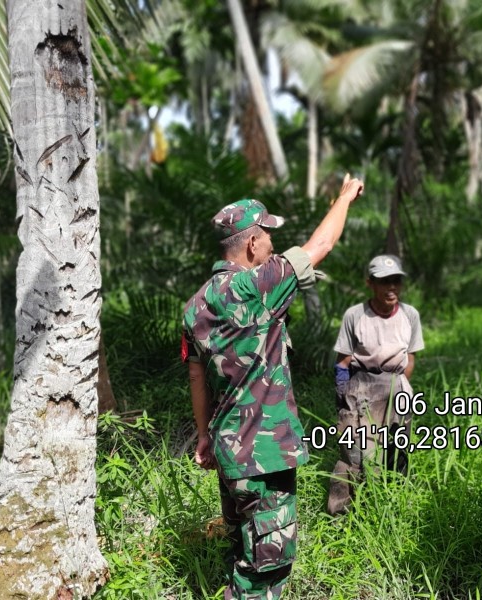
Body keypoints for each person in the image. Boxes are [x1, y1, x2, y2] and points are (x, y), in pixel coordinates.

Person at [182, 174, 364, 599]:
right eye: (266, 235)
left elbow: (195, 375)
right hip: (264, 458)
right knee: (266, 571)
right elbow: (320, 247)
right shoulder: (256, 284)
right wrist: (344, 197)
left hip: (229, 454)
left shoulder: (194, 307)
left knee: (243, 552)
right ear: (251, 244)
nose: (270, 245)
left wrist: (205, 436)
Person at [327, 254, 424, 515]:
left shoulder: (409, 315)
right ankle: (341, 515)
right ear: (370, 283)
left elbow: (410, 357)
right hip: (361, 386)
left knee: (396, 450)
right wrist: (343, 397)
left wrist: (399, 387)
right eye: (384, 282)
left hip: (396, 387)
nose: (391, 288)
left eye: (396, 281)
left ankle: (390, 509)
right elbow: (343, 362)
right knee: (354, 454)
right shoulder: (355, 315)